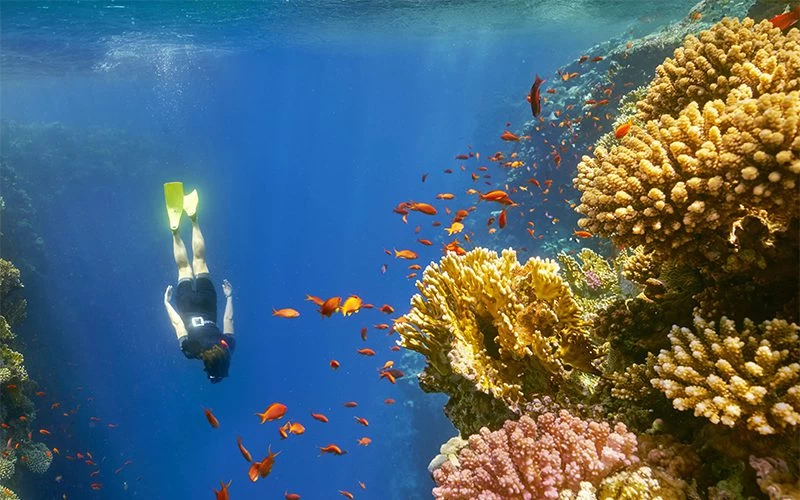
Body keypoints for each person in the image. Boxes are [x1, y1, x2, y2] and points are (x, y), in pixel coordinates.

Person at [162, 182, 235, 383]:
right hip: (186, 304)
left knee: (200, 261)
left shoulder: (228, 345)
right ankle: (175, 230)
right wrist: (167, 303)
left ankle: (193, 219)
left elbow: (228, 319)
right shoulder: (191, 351)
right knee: (184, 267)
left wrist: (229, 297)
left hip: (208, 303)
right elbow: (178, 323)